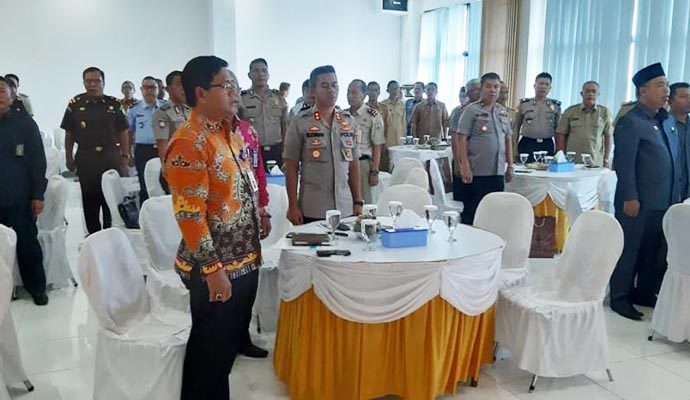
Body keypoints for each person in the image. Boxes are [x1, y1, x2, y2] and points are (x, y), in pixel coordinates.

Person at [164, 56, 264, 399]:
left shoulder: (228, 134)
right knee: (209, 353)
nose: (235, 92)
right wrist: (212, 270)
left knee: (223, 353)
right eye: (227, 85)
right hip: (215, 268)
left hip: (244, 261)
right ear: (201, 92)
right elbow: (189, 214)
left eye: (236, 85)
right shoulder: (189, 141)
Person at [609, 63, 683, 320]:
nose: (666, 90)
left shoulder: (666, 121)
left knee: (653, 252)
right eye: (660, 85)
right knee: (630, 250)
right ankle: (620, 297)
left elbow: (674, 161)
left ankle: (643, 292)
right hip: (637, 202)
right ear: (643, 91)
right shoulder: (631, 121)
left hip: (664, 200)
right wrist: (630, 196)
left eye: (667, 84)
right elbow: (624, 164)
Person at [283, 65, 363, 225]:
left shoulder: (348, 121)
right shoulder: (300, 122)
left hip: (345, 206)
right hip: (314, 207)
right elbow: (291, 166)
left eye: (334, 85)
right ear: (313, 90)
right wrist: (293, 205)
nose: (331, 90)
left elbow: (353, 163)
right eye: (325, 86)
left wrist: (358, 200)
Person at [61, 67, 130, 235]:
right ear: (84, 83)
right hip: (87, 158)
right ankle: (93, 236)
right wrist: (69, 157)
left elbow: (123, 132)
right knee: (89, 199)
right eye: (89, 81)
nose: (93, 84)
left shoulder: (114, 104)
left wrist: (125, 156)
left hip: (110, 157)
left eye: (97, 81)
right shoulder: (75, 104)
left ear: (103, 83)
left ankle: (110, 233)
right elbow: (69, 133)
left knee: (110, 199)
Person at [0, 76, 48, 305]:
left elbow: (38, 162)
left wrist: (38, 195)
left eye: (1, 91)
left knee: (27, 245)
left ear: (12, 96)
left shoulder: (25, 124)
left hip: (19, 196)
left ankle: (37, 288)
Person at [453, 72, 514, 225]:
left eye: (496, 87)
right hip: (477, 171)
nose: (492, 90)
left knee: (494, 213)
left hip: (497, 172)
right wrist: (464, 166)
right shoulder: (471, 110)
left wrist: (510, 166)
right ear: (482, 88)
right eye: (488, 86)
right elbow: (461, 139)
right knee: (473, 212)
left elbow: (508, 139)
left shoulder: (502, 112)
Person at [239, 58, 288, 170]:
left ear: (268, 75)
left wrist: (286, 150)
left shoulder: (278, 98)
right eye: (256, 71)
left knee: (277, 180)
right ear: (249, 75)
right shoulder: (242, 99)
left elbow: (284, 125)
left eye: (264, 71)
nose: (260, 74)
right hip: (252, 150)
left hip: (276, 150)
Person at [556, 81, 613, 167]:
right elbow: (561, 134)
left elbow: (608, 136)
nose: (590, 94)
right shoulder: (570, 111)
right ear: (581, 93)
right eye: (587, 91)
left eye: (594, 91)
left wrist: (606, 159)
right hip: (572, 161)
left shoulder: (604, 112)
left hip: (595, 161)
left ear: (598, 94)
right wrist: (562, 157)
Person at [126, 76, 164, 205]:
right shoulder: (134, 109)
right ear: (141, 90)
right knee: (144, 184)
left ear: (158, 89)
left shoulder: (165, 108)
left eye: (152, 87)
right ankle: (146, 213)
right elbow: (129, 132)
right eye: (146, 88)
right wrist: (128, 153)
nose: (149, 91)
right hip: (143, 151)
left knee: (164, 183)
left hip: (163, 149)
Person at [347, 79, 385, 204]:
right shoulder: (343, 115)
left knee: (363, 201)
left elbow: (377, 145)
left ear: (364, 95)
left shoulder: (372, 115)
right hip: (344, 163)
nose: (350, 96)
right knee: (345, 200)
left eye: (354, 92)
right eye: (348, 92)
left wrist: (374, 171)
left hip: (362, 163)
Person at [152, 71, 190, 193]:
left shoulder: (189, 110)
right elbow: (162, 145)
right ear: (168, 89)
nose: (183, 88)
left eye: (185, 84)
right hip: (176, 169)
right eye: (179, 84)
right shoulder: (163, 113)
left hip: (192, 167)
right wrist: (168, 172)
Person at [515, 72, 561, 161]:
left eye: (546, 84)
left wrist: (559, 151)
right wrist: (514, 150)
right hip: (527, 143)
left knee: (545, 168)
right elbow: (516, 127)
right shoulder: (524, 104)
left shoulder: (555, 106)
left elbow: (558, 130)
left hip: (547, 144)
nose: (543, 86)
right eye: (541, 83)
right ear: (534, 86)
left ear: (550, 88)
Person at [450, 79, 480, 201]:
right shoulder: (459, 111)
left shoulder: (487, 110)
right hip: (463, 158)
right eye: (474, 90)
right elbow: (455, 138)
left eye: (479, 89)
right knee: (463, 199)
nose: (478, 92)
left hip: (479, 161)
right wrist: (458, 163)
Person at [669, 82, 690, 199]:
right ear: (670, 101)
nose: (689, 100)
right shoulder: (663, 125)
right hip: (669, 188)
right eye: (683, 96)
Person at [380, 80, 406, 171]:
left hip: (400, 140)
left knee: (399, 165)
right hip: (387, 140)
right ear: (388, 90)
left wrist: (404, 139)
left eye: (397, 88)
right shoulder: (382, 105)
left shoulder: (402, 104)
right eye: (393, 88)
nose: (395, 91)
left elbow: (404, 122)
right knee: (386, 165)